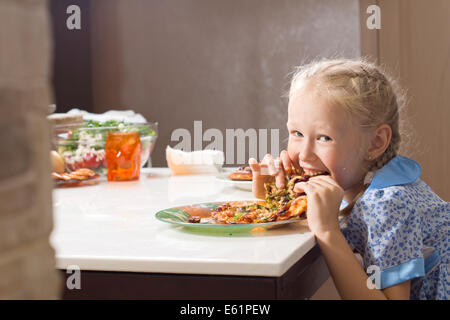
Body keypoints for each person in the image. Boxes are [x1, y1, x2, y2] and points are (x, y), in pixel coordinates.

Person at [249, 58, 449, 300]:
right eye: (297, 133)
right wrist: (276, 193)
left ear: (375, 143)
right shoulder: (357, 181)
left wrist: (327, 231)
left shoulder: (387, 204)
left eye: (324, 138)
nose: (303, 154)